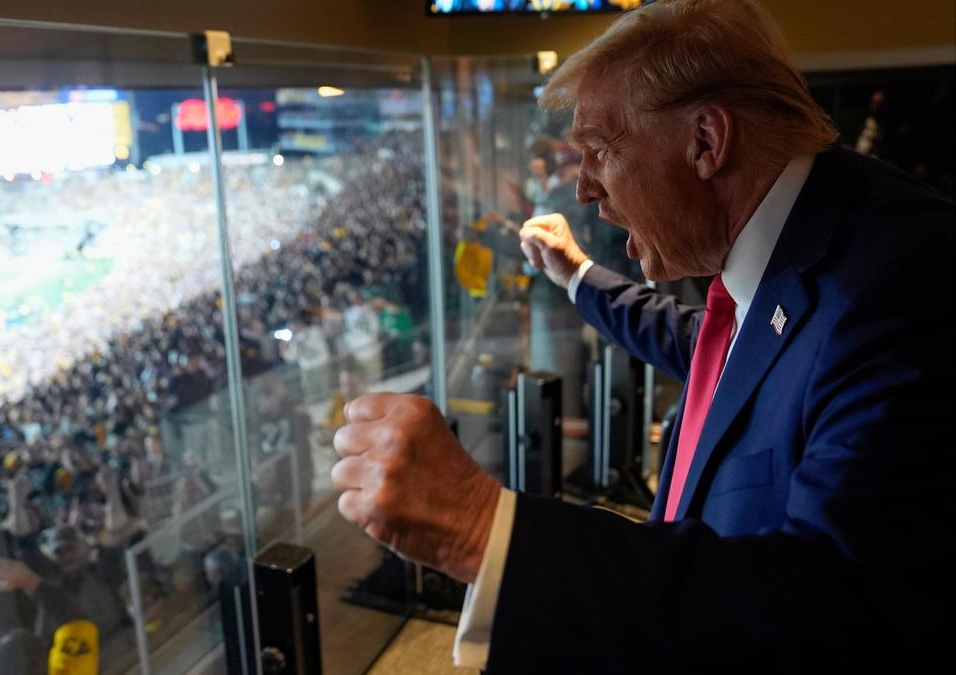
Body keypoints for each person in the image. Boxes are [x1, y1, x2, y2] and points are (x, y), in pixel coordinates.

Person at [330, 0, 954, 671]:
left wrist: (485, 529)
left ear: (707, 142)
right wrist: (578, 277)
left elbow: (837, 609)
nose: (583, 187)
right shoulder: (804, 239)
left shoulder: (903, 286)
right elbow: (717, 350)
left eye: (599, 148)